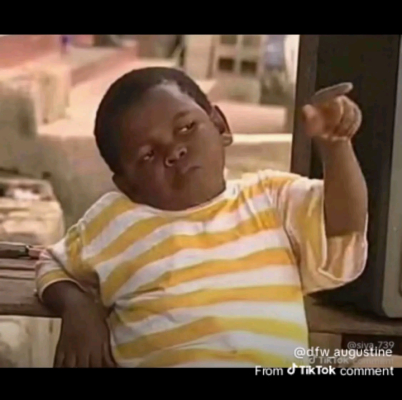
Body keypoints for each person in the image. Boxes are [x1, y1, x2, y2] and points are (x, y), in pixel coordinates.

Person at [35, 67, 368, 368]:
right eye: (147, 155)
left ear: (220, 126)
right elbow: (52, 264)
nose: (174, 151)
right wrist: (77, 307)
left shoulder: (270, 198)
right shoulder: (115, 220)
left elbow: (342, 227)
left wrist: (336, 148)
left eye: (186, 127)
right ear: (127, 184)